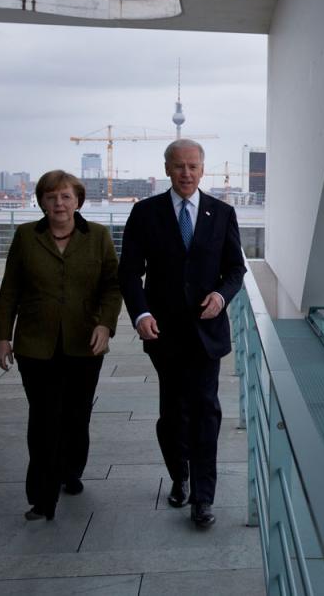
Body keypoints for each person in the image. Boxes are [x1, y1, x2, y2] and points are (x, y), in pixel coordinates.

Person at [119, 139, 246, 529]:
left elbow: (235, 271)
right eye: (178, 166)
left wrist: (222, 298)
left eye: (192, 166)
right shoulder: (145, 213)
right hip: (164, 332)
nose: (186, 173)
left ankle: (204, 500)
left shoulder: (222, 213)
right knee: (172, 413)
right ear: (167, 169)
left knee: (206, 411)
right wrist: (140, 313)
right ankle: (180, 475)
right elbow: (128, 272)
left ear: (203, 169)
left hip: (207, 332)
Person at [0, 171, 122, 521]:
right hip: (36, 346)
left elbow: (113, 286)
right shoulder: (25, 237)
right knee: (44, 419)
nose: (59, 204)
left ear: (78, 200)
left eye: (65, 197)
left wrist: (105, 325)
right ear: (41, 202)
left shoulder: (97, 236)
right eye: (51, 197)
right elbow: (10, 290)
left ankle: (70, 470)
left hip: (85, 343)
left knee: (77, 417)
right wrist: (3, 337)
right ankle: (41, 498)